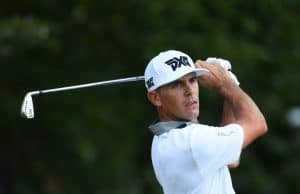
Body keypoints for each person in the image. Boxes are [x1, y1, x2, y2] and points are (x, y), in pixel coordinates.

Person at [144, 50, 268, 194]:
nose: (189, 90)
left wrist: (229, 83)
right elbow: (257, 123)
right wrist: (226, 85)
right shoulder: (190, 140)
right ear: (155, 98)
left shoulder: (163, 139)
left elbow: (230, 160)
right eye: (176, 84)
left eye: (192, 80)